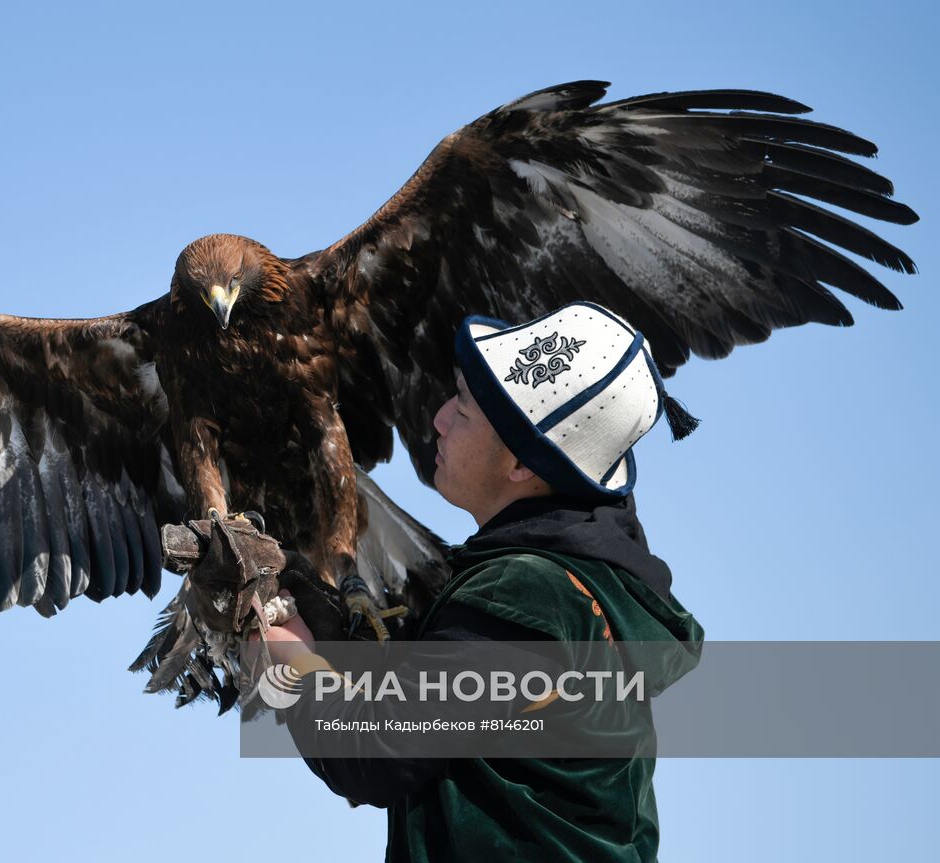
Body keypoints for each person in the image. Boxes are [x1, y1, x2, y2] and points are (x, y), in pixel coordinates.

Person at [255, 302, 705, 862]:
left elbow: (373, 753)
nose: (439, 418)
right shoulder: (584, 587)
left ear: (523, 465)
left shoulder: (529, 596)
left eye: (464, 409)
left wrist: (288, 652)